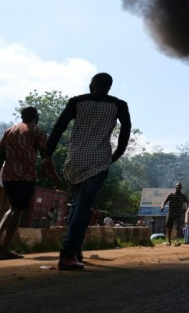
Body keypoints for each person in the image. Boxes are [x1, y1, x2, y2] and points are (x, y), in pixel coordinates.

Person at [43, 72, 131, 271]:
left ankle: (75, 250)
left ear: (91, 85)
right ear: (109, 87)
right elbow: (125, 132)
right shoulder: (118, 105)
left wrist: (48, 155)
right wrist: (115, 155)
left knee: (77, 204)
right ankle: (67, 254)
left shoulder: (77, 102)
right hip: (97, 162)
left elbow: (58, 128)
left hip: (74, 160)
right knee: (84, 207)